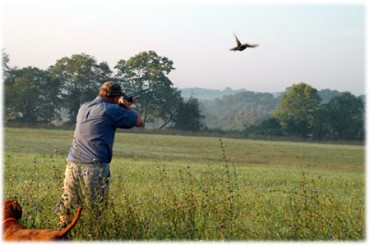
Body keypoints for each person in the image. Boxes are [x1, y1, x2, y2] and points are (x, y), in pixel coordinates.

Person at [58, 81, 143, 227]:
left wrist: (119, 104)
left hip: (72, 164)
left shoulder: (83, 107)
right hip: (94, 167)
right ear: (115, 97)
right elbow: (139, 121)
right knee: (96, 212)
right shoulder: (112, 109)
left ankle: (61, 236)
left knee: (68, 208)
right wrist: (126, 106)